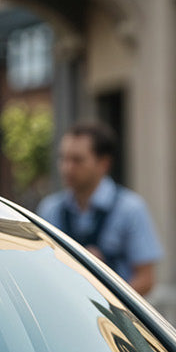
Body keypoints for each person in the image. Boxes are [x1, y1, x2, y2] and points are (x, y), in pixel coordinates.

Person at [39, 119, 162, 296]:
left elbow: (146, 279)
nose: (67, 168)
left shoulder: (131, 209)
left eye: (77, 160)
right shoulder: (50, 209)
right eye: (63, 158)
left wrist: (107, 303)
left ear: (104, 164)